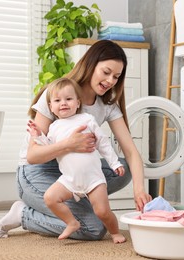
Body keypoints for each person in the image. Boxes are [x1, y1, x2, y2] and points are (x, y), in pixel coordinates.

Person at [0, 40, 152, 240]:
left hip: (71, 172)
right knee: (94, 228)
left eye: (116, 76)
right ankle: (23, 213)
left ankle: (80, 203)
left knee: (125, 169)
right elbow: (32, 156)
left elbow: (131, 152)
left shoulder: (108, 105)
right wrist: (69, 144)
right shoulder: (59, 94)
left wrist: (139, 191)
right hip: (36, 172)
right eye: (106, 72)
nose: (111, 80)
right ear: (90, 64)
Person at [28, 77, 126, 243]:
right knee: (50, 198)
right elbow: (49, 146)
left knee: (102, 211)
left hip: (93, 179)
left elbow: (102, 142)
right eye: (58, 100)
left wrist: (115, 163)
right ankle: (71, 222)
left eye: (69, 99)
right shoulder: (53, 127)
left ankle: (115, 232)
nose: (63, 103)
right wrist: (38, 136)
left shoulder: (86, 120)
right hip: (69, 180)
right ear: (51, 107)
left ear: (78, 102)